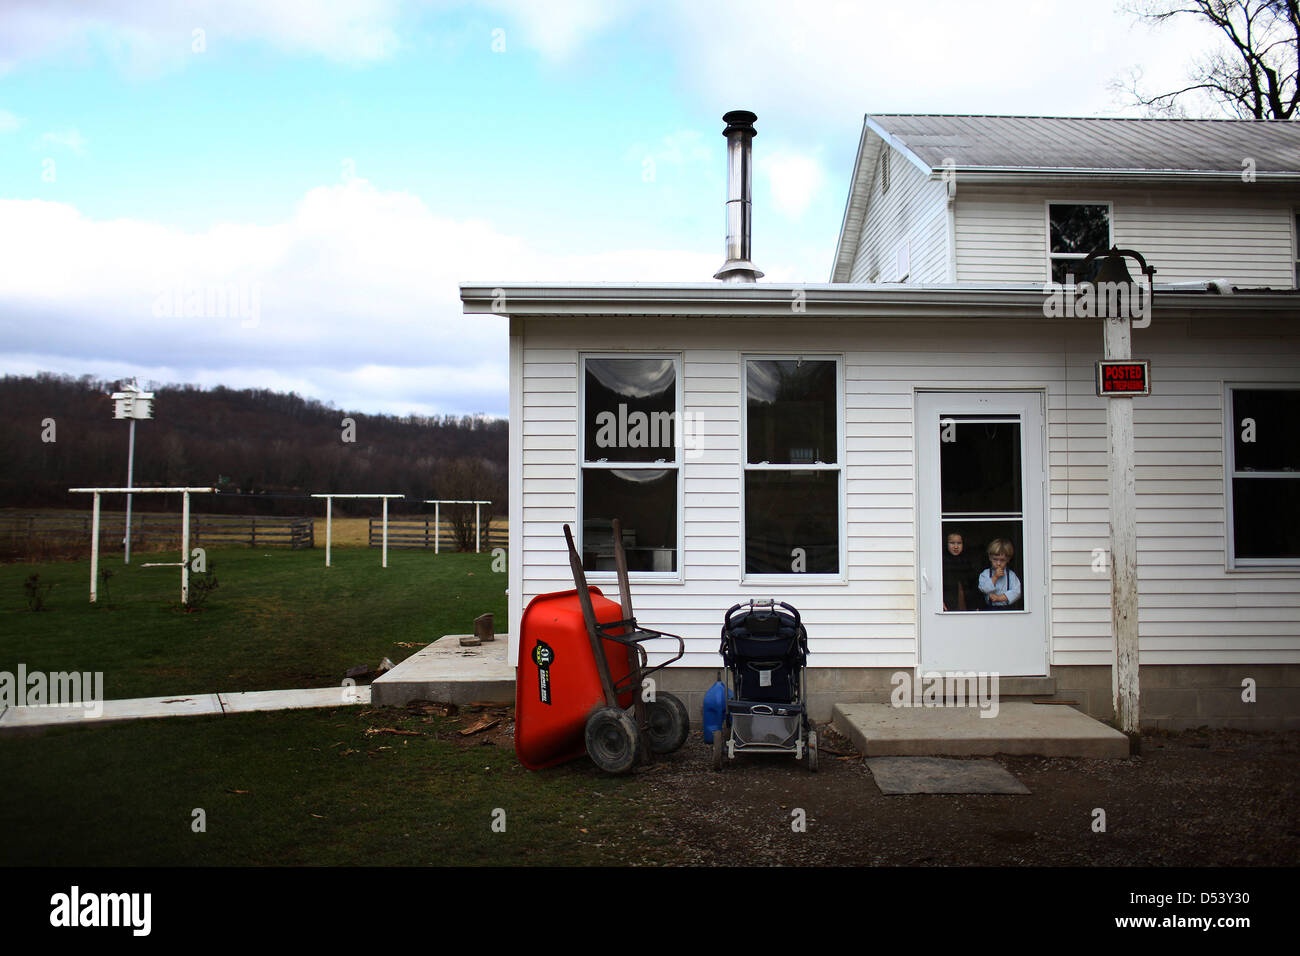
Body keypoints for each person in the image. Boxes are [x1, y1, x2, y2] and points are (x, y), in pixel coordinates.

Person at [978, 538, 1022, 610]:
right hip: (989, 608)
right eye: (995, 559)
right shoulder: (985, 574)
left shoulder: (1011, 575)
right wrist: (995, 577)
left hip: (1007, 608)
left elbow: (1016, 592)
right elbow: (983, 588)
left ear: (1008, 560)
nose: (998, 563)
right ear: (990, 558)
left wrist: (999, 598)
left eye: (1002, 560)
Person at [941, 531, 977, 611]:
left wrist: (975, 604)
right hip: (948, 600)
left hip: (965, 600)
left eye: (959, 543)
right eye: (952, 543)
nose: (956, 546)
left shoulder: (966, 562)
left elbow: (973, 585)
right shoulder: (942, 562)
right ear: (946, 544)